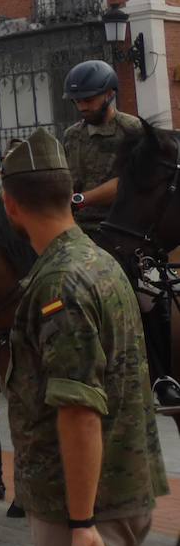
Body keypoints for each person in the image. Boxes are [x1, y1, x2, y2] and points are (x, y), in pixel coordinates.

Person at [0, 128, 168, 546]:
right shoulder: (96, 260)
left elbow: (78, 413)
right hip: (117, 487)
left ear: (11, 205)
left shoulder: (59, 283)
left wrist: (81, 522)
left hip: (88, 501)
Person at [59, 59, 178, 412]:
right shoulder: (72, 136)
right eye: (78, 102)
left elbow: (132, 184)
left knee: (146, 292)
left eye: (89, 100)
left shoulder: (134, 132)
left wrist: (82, 199)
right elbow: (69, 181)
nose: (82, 107)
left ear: (110, 94)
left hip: (127, 227)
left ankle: (163, 377)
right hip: (78, 228)